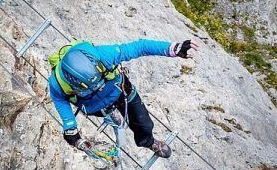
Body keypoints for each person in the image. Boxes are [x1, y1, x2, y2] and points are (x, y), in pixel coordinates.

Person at [48, 38, 198, 157]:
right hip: (94, 104)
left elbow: (140, 47)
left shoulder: (103, 55)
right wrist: (71, 129)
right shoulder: (57, 84)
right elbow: (60, 102)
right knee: (105, 111)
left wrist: (173, 49)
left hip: (119, 90)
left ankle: (147, 141)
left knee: (144, 123)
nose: (98, 85)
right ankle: (111, 114)